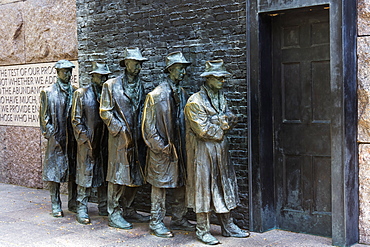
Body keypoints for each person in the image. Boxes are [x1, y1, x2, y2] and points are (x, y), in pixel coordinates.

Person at [184, 59, 249, 245]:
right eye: (219, 78)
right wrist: (222, 125)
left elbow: (231, 117)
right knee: (203, 189)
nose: (223, 81)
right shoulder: (195, 102)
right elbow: (203, 131)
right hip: (203, 153)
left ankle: (228, 226)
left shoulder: (221, 97)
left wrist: (223, 121)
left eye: (223, 78)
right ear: (209, 79)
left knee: (224, 186)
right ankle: (202, 229)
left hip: (220, 152)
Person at [142, 51, 195, 238]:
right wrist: (162, 147)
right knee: (160, 187)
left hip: (180, 149)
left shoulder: (183, 94)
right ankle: (156, 221)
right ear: (171, 70)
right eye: (180, 69)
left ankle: (179, 218)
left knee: (181, 183)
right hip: (162, 152)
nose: (183, 73)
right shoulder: (155, 96)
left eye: (184, 69)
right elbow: (148, 129)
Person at [100, 47, 149, 229]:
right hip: (119, 138)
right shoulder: (111, 85)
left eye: (140, 65)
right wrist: (120, 129)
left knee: (136, 175)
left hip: (137, 137)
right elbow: (105, 111)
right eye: (135, 64)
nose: (138, 68)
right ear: (126, 64)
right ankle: (114, 213)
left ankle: (128, 208)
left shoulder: (140, 84)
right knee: (118, 176)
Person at [71, 62, 111, 224]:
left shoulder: (107, 94)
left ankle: (103, 205)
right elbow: (76, 120)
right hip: (86, 143)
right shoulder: (81, 94)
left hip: (103, 142)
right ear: (93, 76)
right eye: (100, 76)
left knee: (102, 175)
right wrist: (84, 139)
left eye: (105, 76)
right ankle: (81, 207)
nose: (103, 79)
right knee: (85, 176)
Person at [39, 60, 78, 217]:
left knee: (74, 171)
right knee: (54, 173)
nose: (68, 74)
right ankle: (55, 202)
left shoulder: (76, 92)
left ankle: (73, 202)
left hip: (73, 139)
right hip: (57, 139)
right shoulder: (48, 92)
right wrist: (50, 134)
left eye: (70, 71)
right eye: (65, 72)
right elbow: (44, 117)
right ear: (57, 72)